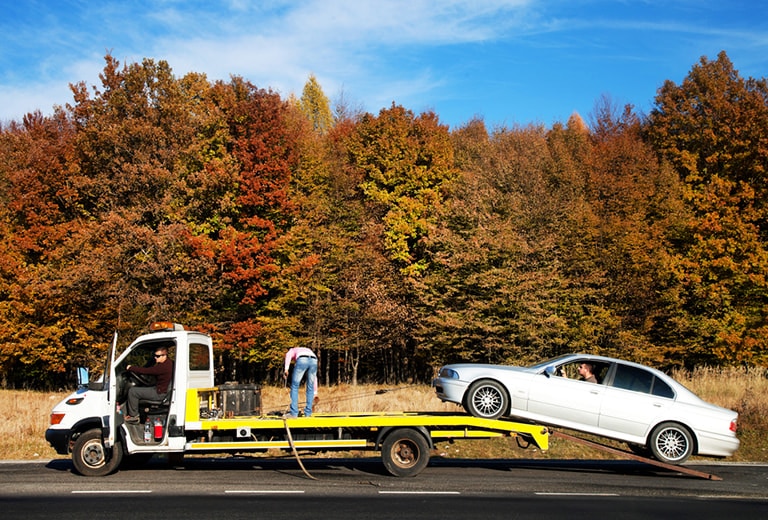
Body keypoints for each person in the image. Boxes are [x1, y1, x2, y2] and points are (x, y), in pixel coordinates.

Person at [123, 346, 173, 424]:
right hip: (161, 390)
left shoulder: (164, 367)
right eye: (155, 355)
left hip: (160, 393)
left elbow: (146, 371)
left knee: (133, 391)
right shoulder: (168, 363)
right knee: (141, 389)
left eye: (158, 356)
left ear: (164, 355)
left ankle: (134, 417)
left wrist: (131, 368)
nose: (155, 358)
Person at [284, 347, 318, 418]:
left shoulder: (292, 350)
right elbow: (314, 378)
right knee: (310, 386)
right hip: (314, 360)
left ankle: (293, 413)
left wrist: (286, 369)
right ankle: (308, 414)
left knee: (295, 386)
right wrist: (315, 392)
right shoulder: (308, 350)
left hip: (302, 359)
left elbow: (288, 355)